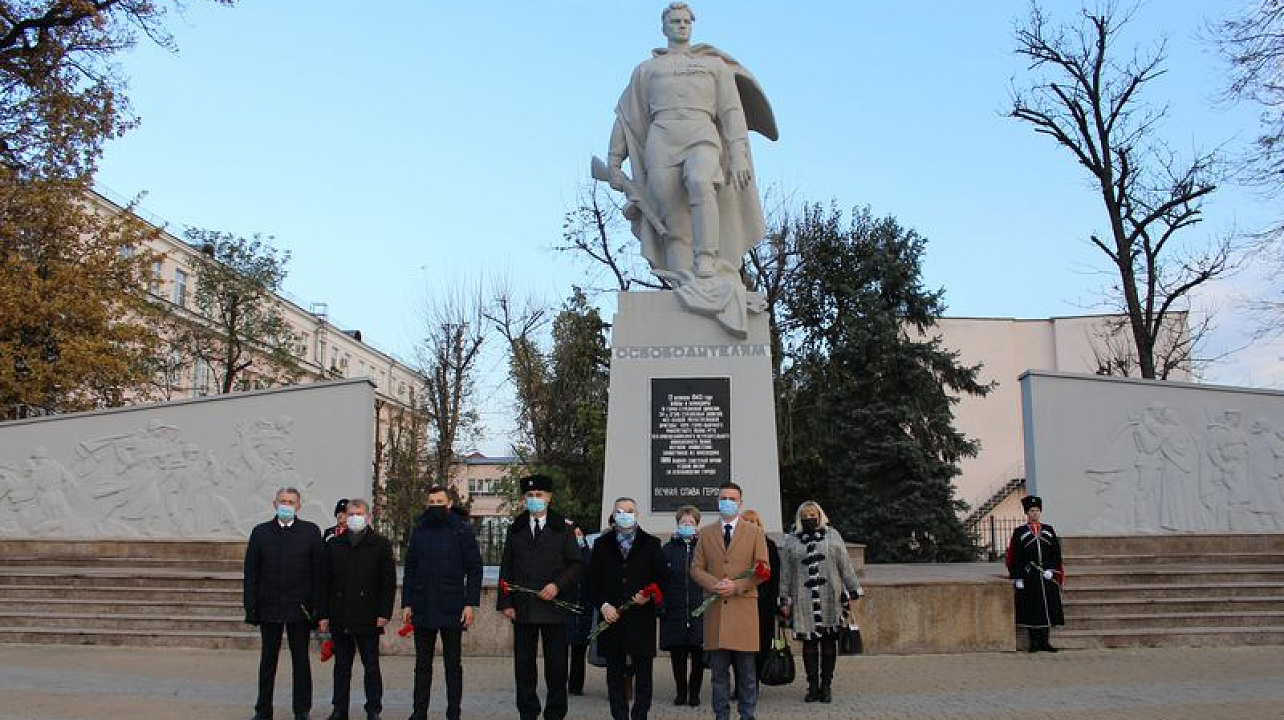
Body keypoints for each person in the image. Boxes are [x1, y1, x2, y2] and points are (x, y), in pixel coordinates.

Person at [603, 3, 777, 334]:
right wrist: (614, 161)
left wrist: (739, 154)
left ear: (692, 26)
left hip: (702, 134)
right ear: (664, 27)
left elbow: (730, 112)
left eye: (686, 21)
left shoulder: (714, 66)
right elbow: (626, 116)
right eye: (675, 21)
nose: (682, 26)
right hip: (662, 139)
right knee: (671, 215)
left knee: (700, 180)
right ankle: (685, 279)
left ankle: (707, 263)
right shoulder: (646, 70)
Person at [498, 474, 585, 720]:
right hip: (523, 607)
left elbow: (576, 565)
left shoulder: (564, 528)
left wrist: (557, 586)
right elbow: (507, 568)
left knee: (556, 666)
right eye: (530, 496)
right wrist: (506, 603)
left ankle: (555, 712)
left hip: (554, 608)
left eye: (539, 495)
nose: (534, 499)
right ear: (524, 499)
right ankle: (528, 711)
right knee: (524, 666)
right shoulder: (516, 529)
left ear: (549, 498)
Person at [243, 486, 326, 720]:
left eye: (291, 501)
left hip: (300, 609)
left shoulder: (310, 532)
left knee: (301, 662)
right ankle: (263, 710)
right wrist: (251, 606)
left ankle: (302, 710)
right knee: (267, 662)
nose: (286, 505)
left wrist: (318, 609)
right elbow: (251, 573)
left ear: (298, 506)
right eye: (283, 501)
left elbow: (319, 573)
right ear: (274, 504)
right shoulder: (260, 533)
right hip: (269, 606)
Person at [402, 485, 483, 720]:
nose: (435, 506)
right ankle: (419, 713)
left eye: (440, 501)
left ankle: (453, 712)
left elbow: (475, 569)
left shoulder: (462, 530)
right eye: (431, 501)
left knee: (452, 665)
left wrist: (470, 604)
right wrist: (407, 603)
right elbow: (410, 569)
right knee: (422, 666)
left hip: (452, 606)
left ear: (448, 504)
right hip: (423, 604)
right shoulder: (419, 530)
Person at [689, 481, 768, 720]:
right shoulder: (705, 534)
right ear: (717, 501)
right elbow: (696, 568)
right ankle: (720, 715)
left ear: (740, 502)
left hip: (744, 610)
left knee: (747, 674)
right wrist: (715, 584)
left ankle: (747, 715)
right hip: (716, 612)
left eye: (732, 498)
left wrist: (737, 586)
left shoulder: (754, 533)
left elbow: (762, 568)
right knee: (718, 674)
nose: (727, 502)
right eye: (723, 498)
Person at [587, 497, 667, 720]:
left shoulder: (651, 544)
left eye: (630, 510)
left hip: (641, 619)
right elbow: (592, 582)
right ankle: (619, 715)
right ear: (613, 514)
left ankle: (640, 714)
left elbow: (663, 578)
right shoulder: (602, 544)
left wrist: (649, 596)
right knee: (614, 674)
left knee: (643, 674)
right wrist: (603, 605)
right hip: (611, 619)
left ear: (637, 514)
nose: (625, 514)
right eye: (620, 511)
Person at [319, 499, 396, 720]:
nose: (354, 517)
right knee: (341, 666)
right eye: (351, 513)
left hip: (369, 615)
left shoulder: (380, 545)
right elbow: (326, 581)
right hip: (340, 613)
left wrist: (384, 613)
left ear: (368, 516)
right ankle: (339, 709)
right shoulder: (334, 544)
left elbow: (387, 583)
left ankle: (373, 709)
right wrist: (323, 613)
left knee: (371, 665)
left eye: (359, 513)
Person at [778, 501, 862, 703]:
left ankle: (826, 685)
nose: (809, 517)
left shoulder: (832, 535)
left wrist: (853, 588)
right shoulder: (791, 540)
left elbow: (845, 564)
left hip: (830, 597)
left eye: (812, 514)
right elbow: (786, 572)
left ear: (819, 515)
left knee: (828, 643)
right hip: (803, 599)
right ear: (799, 517)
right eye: (805, 514)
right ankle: (812, 686)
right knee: (808, 644)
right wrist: (784, 598)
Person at [1006, 495, 1065, 652]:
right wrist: (1018, 576)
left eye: (1037, 510)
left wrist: (1052, 570)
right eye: (1031, 510)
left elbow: (1055, 553)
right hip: (1029, 576)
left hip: (1046, 575)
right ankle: (1034, 642)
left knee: (1047, 607)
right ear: (1027, 512)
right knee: (1033, 608)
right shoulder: (1020, 532)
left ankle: (1045, 641)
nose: (1034, 513)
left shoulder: (1049, 530)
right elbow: (1015, 555)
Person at [659, 505, 705, 707]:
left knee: (698, 656)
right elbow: (659, 581)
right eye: (683, 522)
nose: (687, 525)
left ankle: (694, 693)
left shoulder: (704, 549)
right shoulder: (667, 550)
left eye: (691, 522)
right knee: (677, 655)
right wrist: (660, 606)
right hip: (674, 610)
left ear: (697, 526)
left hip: (698, 610)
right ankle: (681, 691)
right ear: (677, 525)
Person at [738, 510, 780, 679]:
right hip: (740, 601)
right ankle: (742, 681)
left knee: (761, 642)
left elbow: (775, 577)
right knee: (740, 646)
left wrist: (776, 601)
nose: (750, 525)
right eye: (746, 522)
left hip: (763, 604)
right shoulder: (734, 546)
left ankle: (754, 679)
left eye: (753, 522)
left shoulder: (769, 545)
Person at [565, 523, 593, 696]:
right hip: (565, 610)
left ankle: (576, 686)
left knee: (579, 651)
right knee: (559, 652)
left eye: (580, 533)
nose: (578, 537)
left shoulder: (589, 556)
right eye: (574, 534)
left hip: (584, 609)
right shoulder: (562, 556)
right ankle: (559, 684)